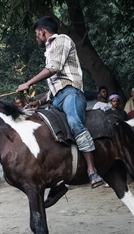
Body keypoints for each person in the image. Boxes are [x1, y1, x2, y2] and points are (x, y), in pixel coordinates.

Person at [16, 16, 103, 188]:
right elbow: (56, 85)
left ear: (43, 31)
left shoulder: (62, 39)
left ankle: (92, 171)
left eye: (36, 34)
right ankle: (59, 179)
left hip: (72, 93)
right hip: (56, 99)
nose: (36, 38)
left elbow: (54, 68)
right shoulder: (49, 50)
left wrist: (28, 83)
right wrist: (39, 102)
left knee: (74, 122)